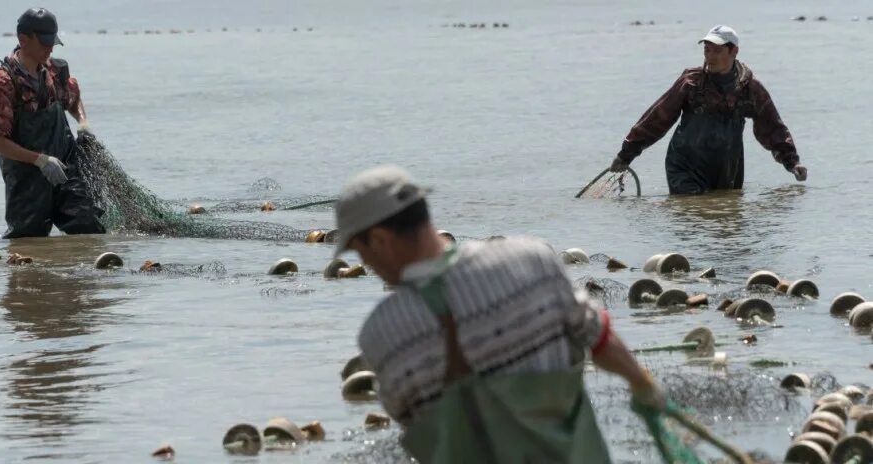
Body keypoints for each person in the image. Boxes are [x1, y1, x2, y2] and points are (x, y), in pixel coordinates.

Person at [333, 165, 663, 462]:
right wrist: (643, 384)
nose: (364, 263)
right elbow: (599, 338)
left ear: (378, 239)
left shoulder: (381, 334)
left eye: (358, 250)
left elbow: (417, 425)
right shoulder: (532, 261)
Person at [609, 25, 808, 195]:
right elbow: (657, 118)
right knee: (693, 218)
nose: (710, 57)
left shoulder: (749, 89)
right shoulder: (691, 83)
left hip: (728, 170)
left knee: (727, 223)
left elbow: (772, 127)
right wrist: (627, 154)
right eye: (706, 50)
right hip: (684, 168)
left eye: (717, 51)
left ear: (734, 51)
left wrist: (792, 163)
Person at [0, 8, 105, 238]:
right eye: (45, 42)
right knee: (28, 241)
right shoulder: (2, 84)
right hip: (27, 182)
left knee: (89, 230)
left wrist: (83, 124)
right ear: (23, 40)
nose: (50, 48)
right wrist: (41, 160)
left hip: (65, 171)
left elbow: (73, 100)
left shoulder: (55, 71)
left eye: (53, 41)